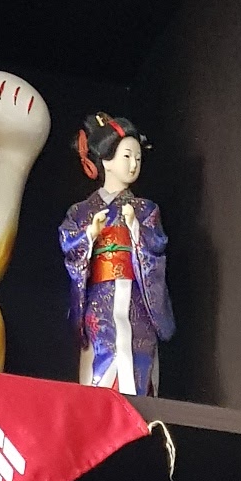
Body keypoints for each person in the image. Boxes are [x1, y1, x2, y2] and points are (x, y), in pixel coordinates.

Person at [59, 111, 174, 396]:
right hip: (100, 300)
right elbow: (69, 244)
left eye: (138, 158)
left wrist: (135, 229)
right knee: (101, 363)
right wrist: (90, 235)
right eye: (127, 156)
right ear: (106, 161)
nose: (134, 164)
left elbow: (156, 248)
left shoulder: (147, 209)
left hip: (137, 302)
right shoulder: (81, 211)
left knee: (136, 360)